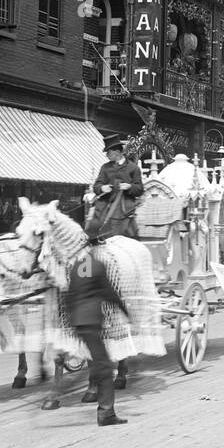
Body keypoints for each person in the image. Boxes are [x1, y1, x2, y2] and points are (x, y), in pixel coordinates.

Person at [65, 233, 132, 427]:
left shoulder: (76, 267)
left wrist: (72, 322)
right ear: (96, 246)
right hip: (92, 321)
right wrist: (125, 311)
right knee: (104, 366)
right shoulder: (98, 265)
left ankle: (101, 406)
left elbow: (69, 296)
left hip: (79, 322)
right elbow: (109, 292)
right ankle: (106, 412)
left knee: (97, 363)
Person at [87, 133, 144, 237]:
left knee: (122, 229)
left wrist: (129, 187)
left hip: (124, 206)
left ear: (117, 152)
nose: (106, 155)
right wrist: (102, 188)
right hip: (105, 205)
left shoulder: (133, 168)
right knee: (93, 226)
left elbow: (140, 189)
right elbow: (96, 186)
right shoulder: (105, 167)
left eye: (108, 152)